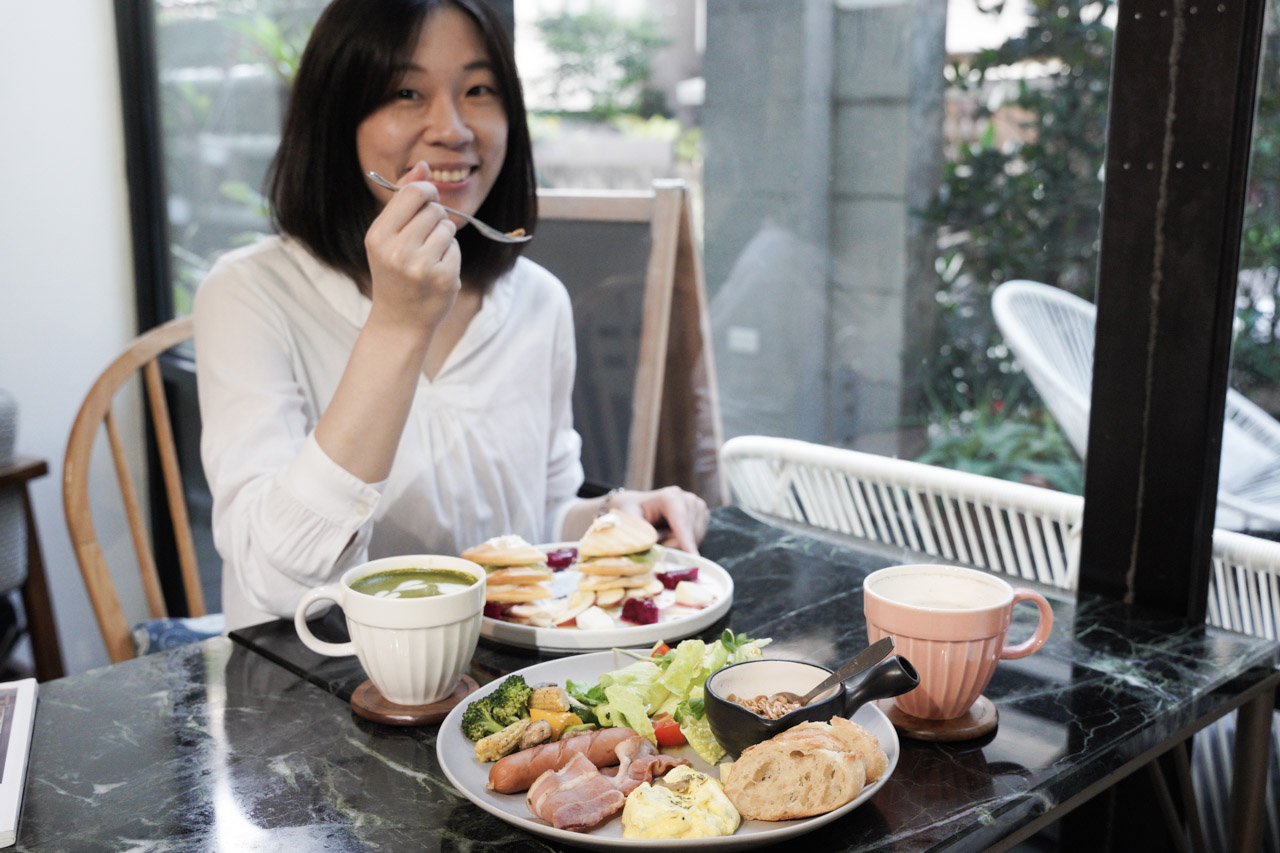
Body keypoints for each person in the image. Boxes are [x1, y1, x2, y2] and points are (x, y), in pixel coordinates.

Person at [194, 0, 709, 631]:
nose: (454, 128)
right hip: (309, 686)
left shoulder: (538, 300)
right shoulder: (248, 294)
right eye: (406, 91)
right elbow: (277, 580)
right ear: (336, 118)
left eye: (478, 89)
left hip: (497, 691)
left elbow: (538, 517)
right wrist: (398, 325)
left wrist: (615, 520)